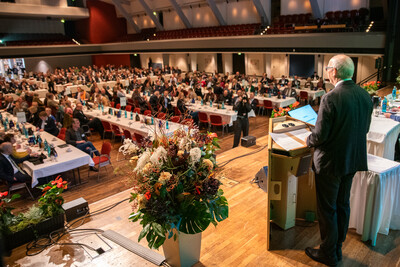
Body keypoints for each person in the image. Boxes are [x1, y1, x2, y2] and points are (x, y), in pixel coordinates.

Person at [305, 55, 373, 266]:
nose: (327, 72)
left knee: (327, 209)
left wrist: (308, 137)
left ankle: (327, 253)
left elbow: (320, 136)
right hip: (352, 160)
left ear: (334, 71)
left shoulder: (330, 97)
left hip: (330, 163)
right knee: (342, 204)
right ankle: (337, 248)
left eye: (328, 68)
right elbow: (365, 129)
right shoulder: (365, 95)